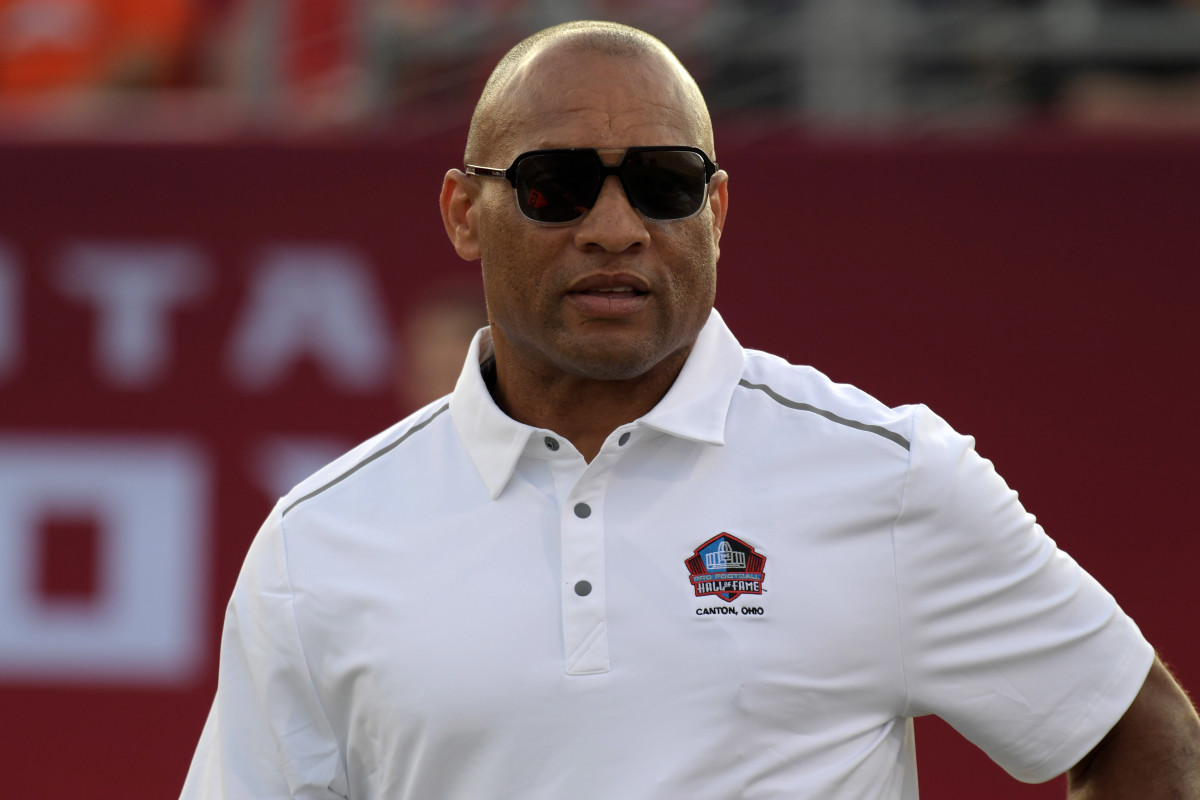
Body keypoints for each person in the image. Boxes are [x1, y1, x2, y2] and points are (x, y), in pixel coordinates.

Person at [180, 20, 1200, 799]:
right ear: (462, 213)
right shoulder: (317, 542)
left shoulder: (888, 475)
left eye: (664, 185)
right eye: (557, 185)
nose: (616, 228)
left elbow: (1140, 730)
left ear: (714, 212)